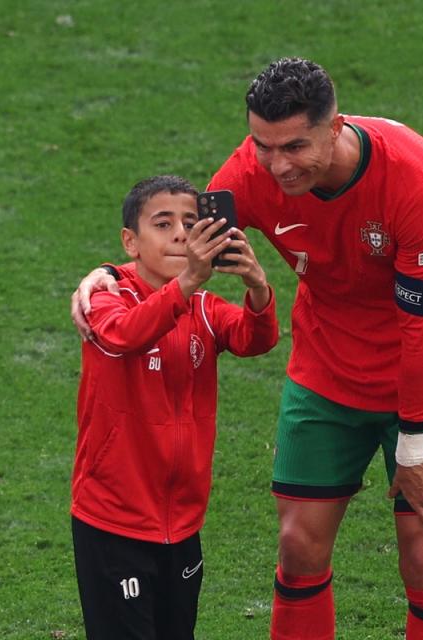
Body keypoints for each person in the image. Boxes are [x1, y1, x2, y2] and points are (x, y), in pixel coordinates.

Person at [72, 58, 423, 640]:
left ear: (335, 127)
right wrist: (106, 276)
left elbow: (422, 328)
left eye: (294, 147)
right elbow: (180, 238)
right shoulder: (249, 173)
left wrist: (413, 448)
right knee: (297, 546)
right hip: (327, 376)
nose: (278, 166)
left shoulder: (416, 178)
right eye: (263, 146)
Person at [71, 175, 278, 639]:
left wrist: (257, 284)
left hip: (182, 523)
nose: (181, 234)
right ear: (131, 242)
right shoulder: (105, 297)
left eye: (190, 221)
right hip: (114, 523)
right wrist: (186, 282)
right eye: (163, 224)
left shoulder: (204, 307)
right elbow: (125, 334)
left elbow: (256, 337)